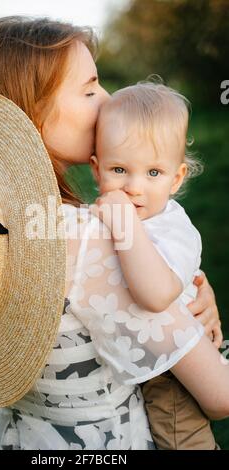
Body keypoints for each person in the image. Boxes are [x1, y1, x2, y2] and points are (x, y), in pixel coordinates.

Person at [0, 16, 228, 450]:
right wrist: (194, 314)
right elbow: (218, 395)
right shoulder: (91, 241)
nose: (108, 98)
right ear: (34, 114)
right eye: (90, 88)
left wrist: (187, 297)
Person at [88, 80, 220, 449]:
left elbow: (157, 294)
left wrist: (124, 225)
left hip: (174, 372)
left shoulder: (172, 230)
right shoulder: (102, 216)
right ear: (96, 170)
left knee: (181, 438)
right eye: (119, 170)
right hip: (136, 361)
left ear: (176, 178)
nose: (133, 186)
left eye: (153, 173)